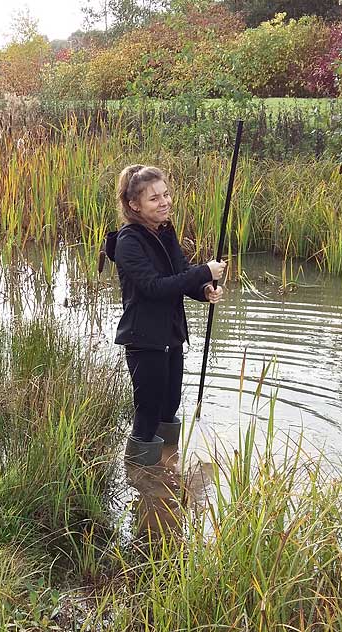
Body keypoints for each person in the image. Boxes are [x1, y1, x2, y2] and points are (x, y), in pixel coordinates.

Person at [105, 165, 226, 466]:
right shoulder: (128, 242)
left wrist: (203, 289)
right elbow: (153, 287)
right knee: (147, 414)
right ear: (134, 205)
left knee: (169, 406)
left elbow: (181, 274)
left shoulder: (165, 231)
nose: (164, 202)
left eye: (166, 194)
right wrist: (205, 271)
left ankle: (167, 470)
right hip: (144, 339)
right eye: (154, 199)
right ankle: (141, 481)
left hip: (171, 335)